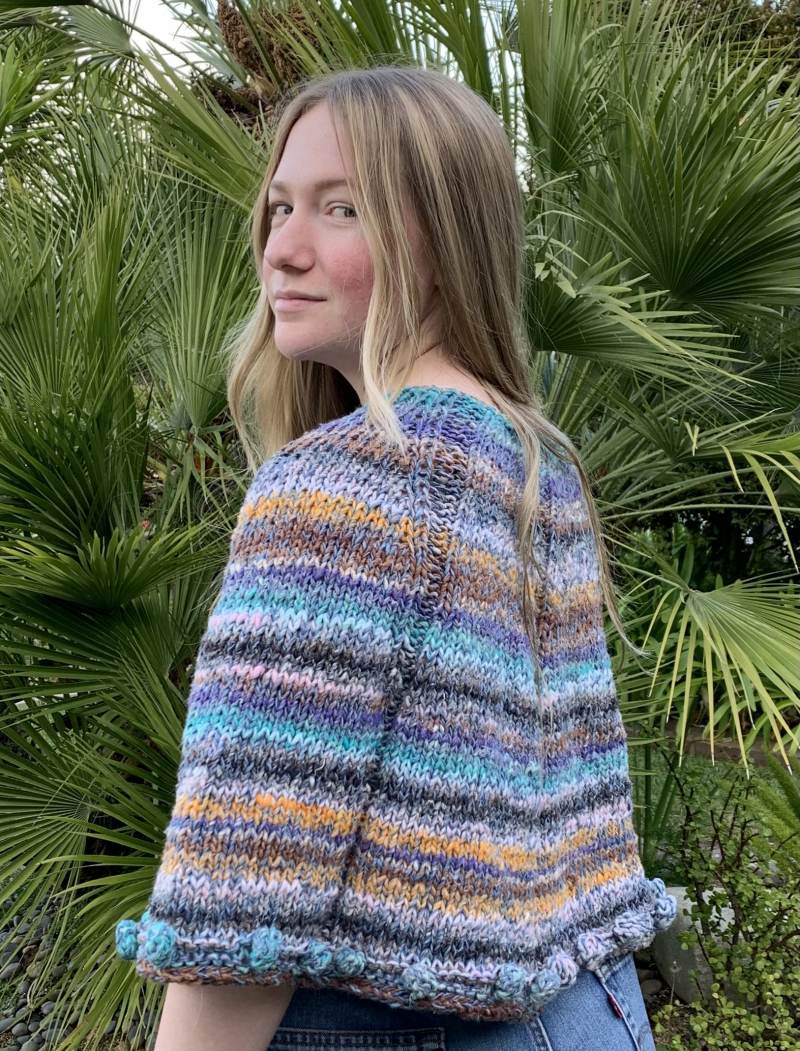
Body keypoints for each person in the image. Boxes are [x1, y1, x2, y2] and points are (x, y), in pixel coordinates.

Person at [114, 66, 677, 1051]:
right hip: (591, 1011)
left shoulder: (342, 486)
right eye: (280, 206)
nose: (282, 249)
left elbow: (244, 905)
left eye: (341, 209)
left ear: (443, 240)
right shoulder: (532, 462)